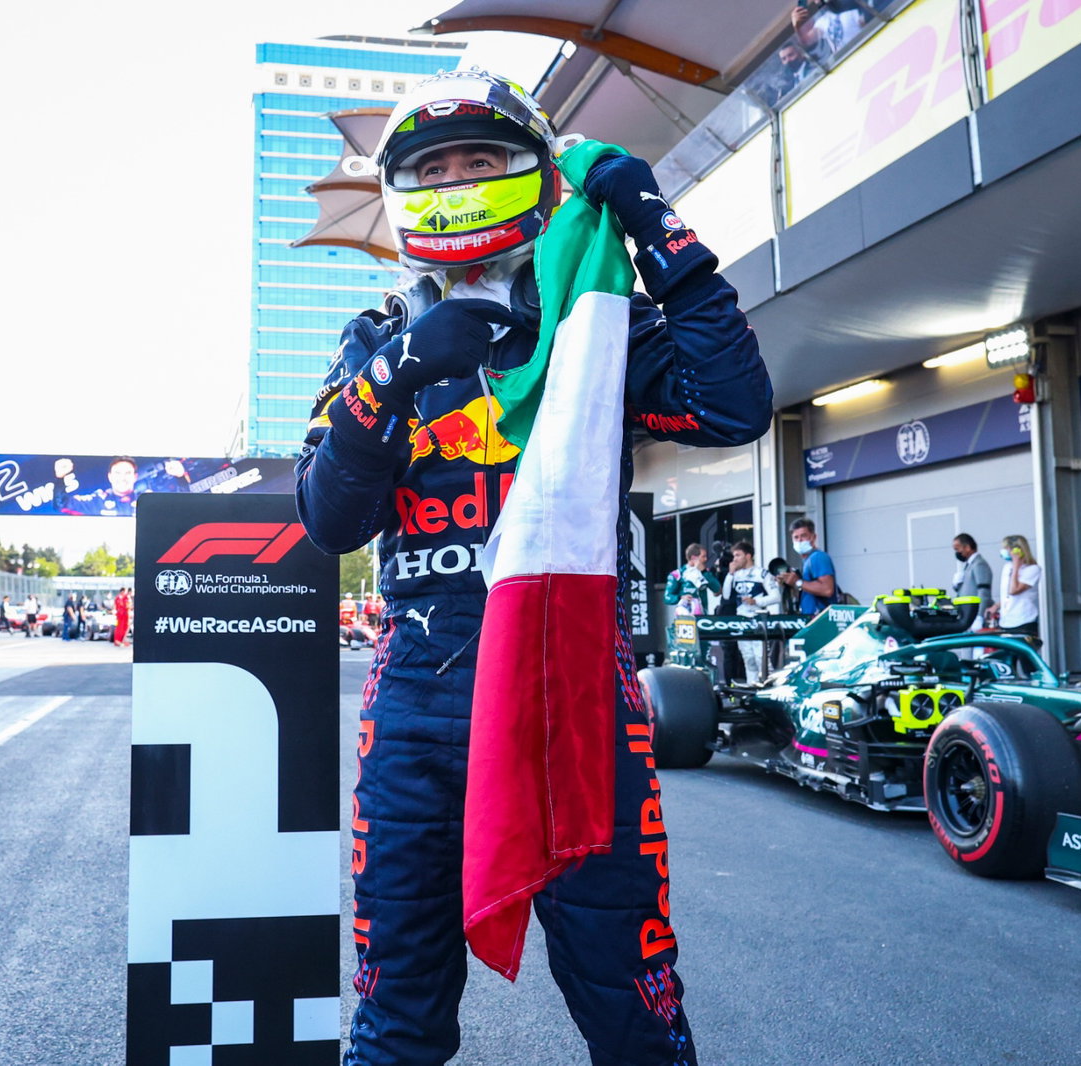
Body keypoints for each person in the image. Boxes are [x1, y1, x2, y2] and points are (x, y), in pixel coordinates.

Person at [295, 68, 771, 1066]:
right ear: (403, 195)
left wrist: (661, 233)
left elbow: (733, 407)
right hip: (418, 708)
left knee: (632, 1004)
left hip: (574, 701)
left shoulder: (602, 323)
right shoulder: (374, 339)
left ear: (535, 173)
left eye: (481, 157)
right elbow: (330, 517)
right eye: (434, 166)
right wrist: (395, 375)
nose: (460, 178)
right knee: (396, 1014)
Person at [721, 540, 780, 683]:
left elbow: (776, 596)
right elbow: (726, 595)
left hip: (758, 620)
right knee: (748, 658)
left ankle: (768, 687)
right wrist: (730, 574)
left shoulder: (762, 573)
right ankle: (752, 687)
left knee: (762, 658)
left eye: (737, 555)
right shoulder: (735, 575)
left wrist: (757, 602)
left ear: (748, 556)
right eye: (733, 556)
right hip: (742, 620)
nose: (734, 559)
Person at [984, 535, 1042, 637]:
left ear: (1017, 550)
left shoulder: (1033, 569)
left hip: (1023, 621)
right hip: (1006, 621)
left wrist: (1016, 565)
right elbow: (1008, 596)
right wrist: (996, 606)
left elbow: (1013, 591)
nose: (1004, 551)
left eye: (1007, 549)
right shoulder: (1007, 567)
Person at [777, 517, 836, 616]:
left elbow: (827, 590)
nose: (799, 540)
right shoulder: (807, 560)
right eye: (796, 537)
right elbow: (807, 591)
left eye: (803, 536)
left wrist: (797, 581)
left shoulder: (818, 557)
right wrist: (789, 583)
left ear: (813, 537)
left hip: (820, 618)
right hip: (810, 616)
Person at [665, 543, 721, 618]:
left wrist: (704, 572)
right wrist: (681, 597)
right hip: (684, 618)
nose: (706, 559)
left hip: (702, 617)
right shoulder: (678, 574)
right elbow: (667, 598)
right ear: (693, 558)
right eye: (703, 556)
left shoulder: (705, 573)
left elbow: (717, 590)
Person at [950, 533, 994, 625]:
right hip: (967, 615)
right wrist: (956, 585)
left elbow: (984, 592)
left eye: (958, 549)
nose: (957, 553)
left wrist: (980, 616)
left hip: (975, 614)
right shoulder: (968, 565)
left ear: (967, 547)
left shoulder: (979, 564)